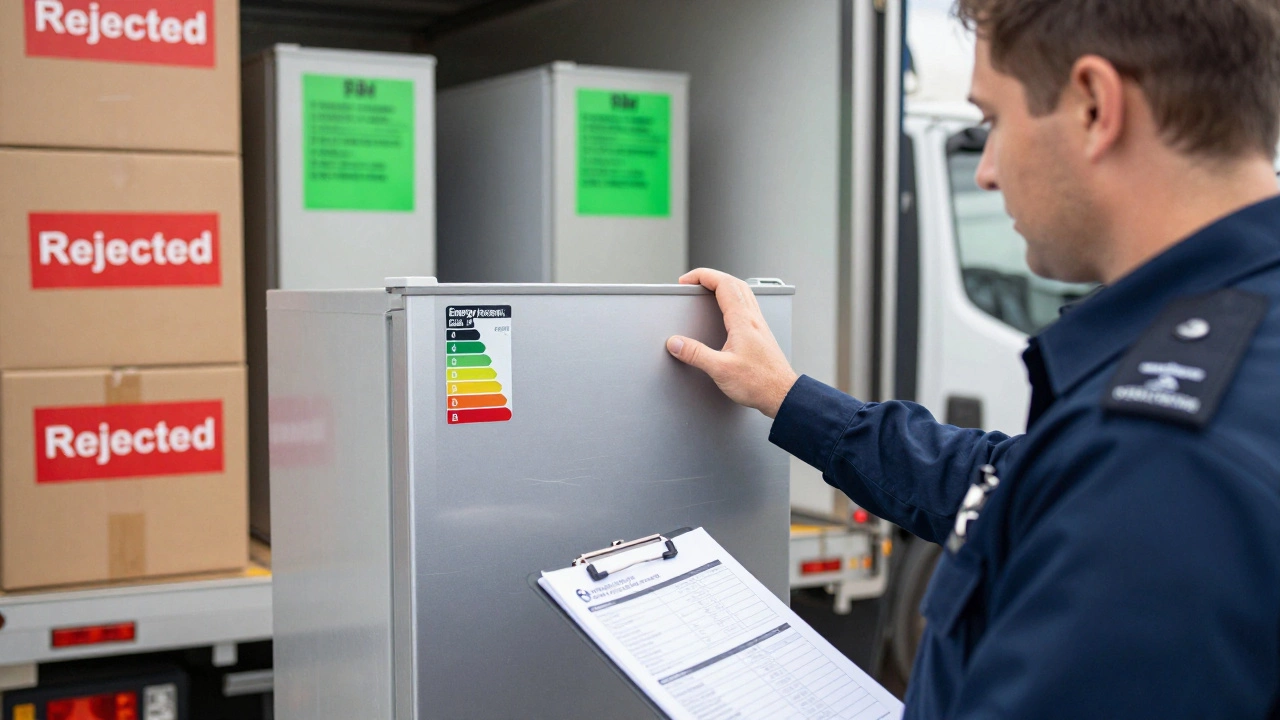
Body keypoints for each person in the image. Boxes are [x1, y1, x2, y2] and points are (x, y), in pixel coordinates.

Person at [665, 0, 1280, 717]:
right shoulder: (1228, 354)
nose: (986, 171)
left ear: (1093, 105)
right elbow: (1004, 483)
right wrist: (788, 394)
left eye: (992, 121)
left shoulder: (1164, 458)